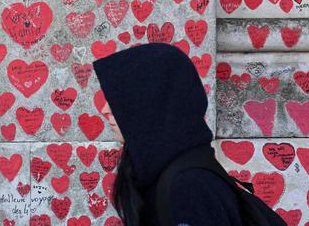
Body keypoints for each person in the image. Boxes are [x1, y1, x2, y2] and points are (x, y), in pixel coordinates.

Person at [92, 42, 243, 226]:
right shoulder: (168, 175)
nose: (104, 109)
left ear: (152, 102)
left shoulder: (189, 188)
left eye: (121, 99)